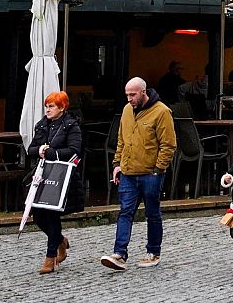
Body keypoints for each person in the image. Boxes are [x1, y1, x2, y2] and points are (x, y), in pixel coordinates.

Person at [101, 77, 176, 271]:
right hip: (128, 172)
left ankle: (153, 252)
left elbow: (168, 144)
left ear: (144, 92)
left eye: (133, 94)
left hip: (150, 173)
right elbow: (122, 140)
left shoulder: (161, 112)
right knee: (125, 212)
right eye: (127, 95)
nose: (129, 98)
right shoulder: (127, 110)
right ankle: (119, 253)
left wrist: (158, 169)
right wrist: (117, 163)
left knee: (152, 213)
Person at [27, 91, 85, 275]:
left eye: (51, 106)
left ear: (62, 107)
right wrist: (40, 149)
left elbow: (75, 150)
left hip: (62, 177)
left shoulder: (71, 126)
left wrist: (52, 152)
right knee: (38, 216)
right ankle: (60, 240)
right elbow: (30, 149)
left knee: (51, 215)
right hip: (43, 176)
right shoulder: (42, 125)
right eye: (46, 106)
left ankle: (50, 257)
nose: (47, 110)